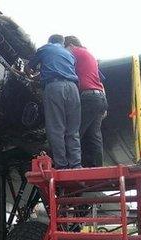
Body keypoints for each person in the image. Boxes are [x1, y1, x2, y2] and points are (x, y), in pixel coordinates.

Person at [25, 34, 81, 169]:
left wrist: (29, 77)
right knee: (73, 130)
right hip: (73, 88)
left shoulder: (45, 49)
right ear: (62, 43)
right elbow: (57, 69)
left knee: (56, 128)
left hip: (54, 87)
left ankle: (61, 165)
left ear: (50, 41)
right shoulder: (69, 54)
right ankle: (76, 165)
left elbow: (29, 68)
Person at [64, 36, 108, 168]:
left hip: (88, 98)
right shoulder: (89, 56)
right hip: (99, 98)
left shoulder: (74, 51)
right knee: (94, 135)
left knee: (74, 131)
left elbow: (58, 63)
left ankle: (70, 164)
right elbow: (100, 81)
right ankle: (97, 166)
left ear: (70, 45)